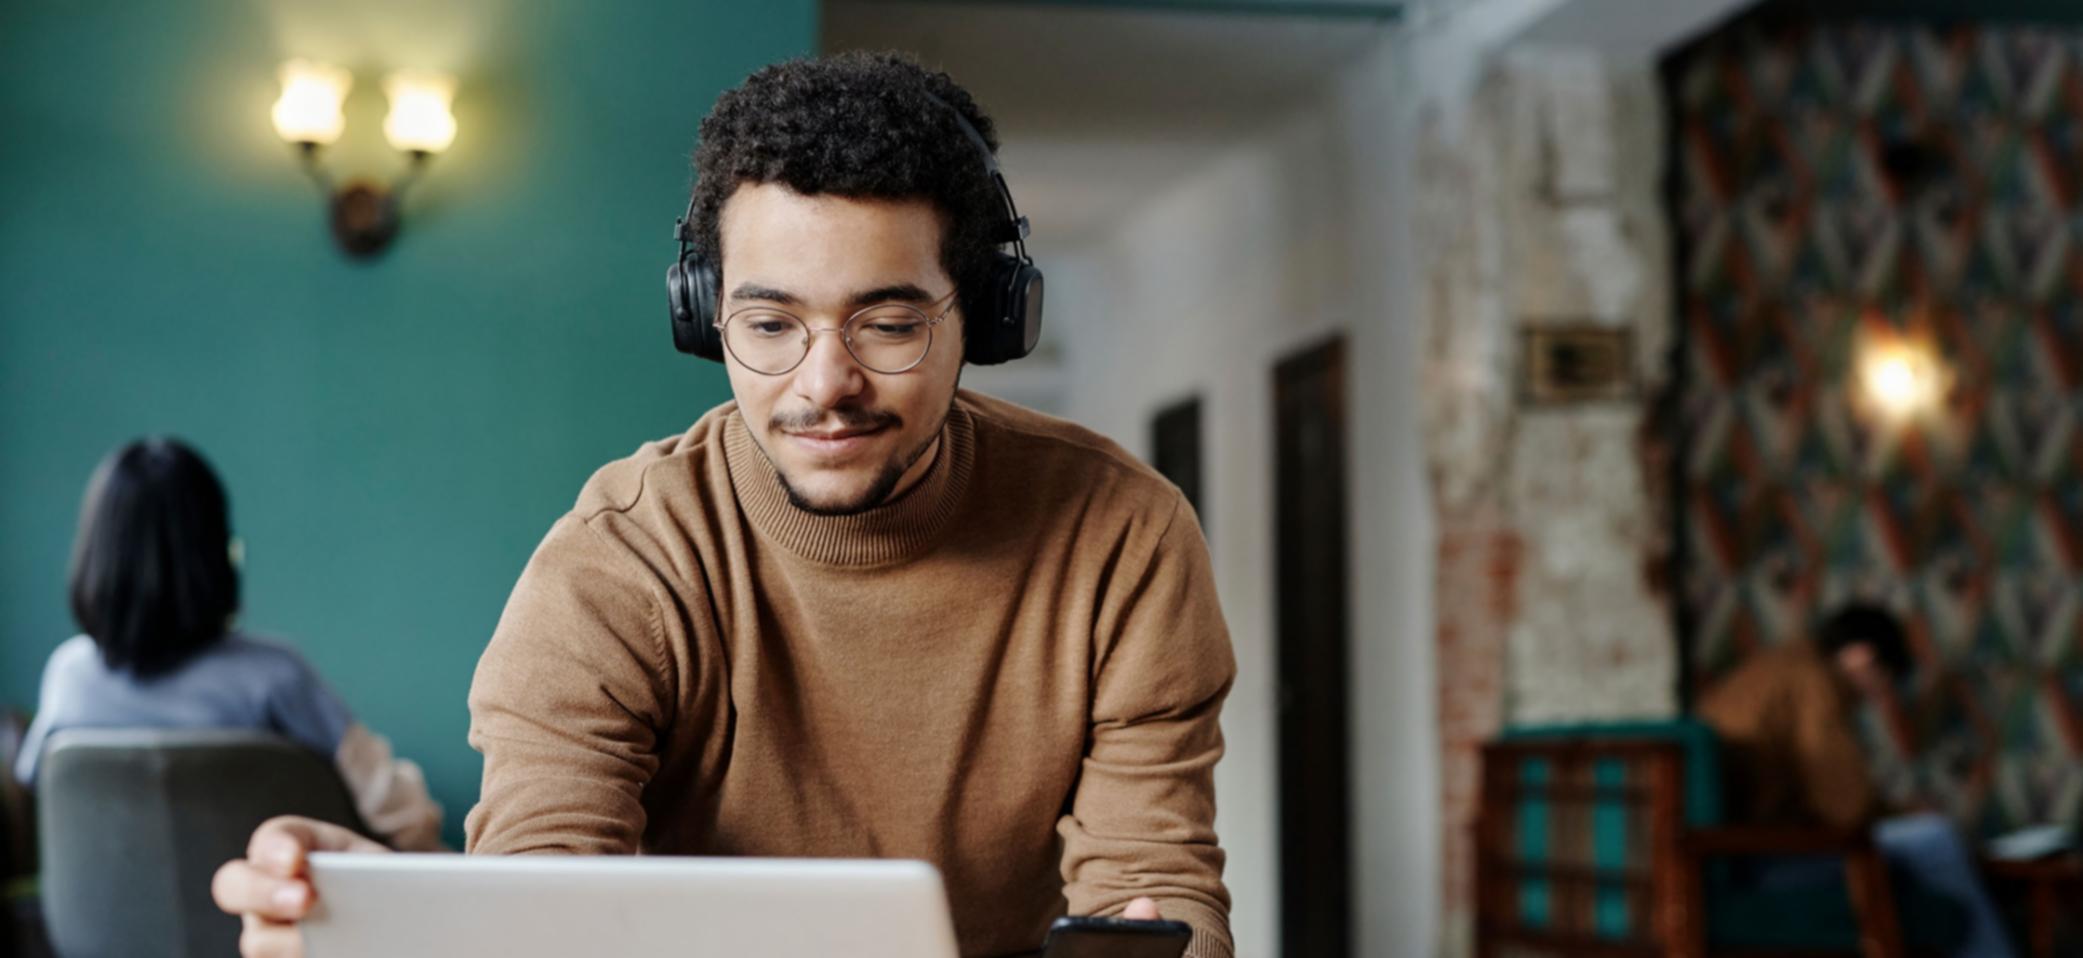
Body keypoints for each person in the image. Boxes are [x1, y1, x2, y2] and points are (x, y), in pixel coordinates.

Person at [211, 52, 1236, 958]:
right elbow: (542, 882)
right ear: (705, 319)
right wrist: (402, 923)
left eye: (888, 324)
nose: (824, 384)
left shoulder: (1122, 533)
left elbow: (1153, 882)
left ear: (986, 316)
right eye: (770, 324)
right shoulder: (621, 558)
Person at [13, 438, 444, 852]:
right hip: (263, 899)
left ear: (95, 554)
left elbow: (33, 784)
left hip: (101, 907)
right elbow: (394, 807)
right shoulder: (276, 678)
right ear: (216, 551)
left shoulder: (68, 676)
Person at [1699, 602, 2012, 958]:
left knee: (1921, 854)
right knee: (1935, 835)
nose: (1868, 700)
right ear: (1863, 657)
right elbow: (1846, 807)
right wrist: (1904, 814)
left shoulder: (1771, 668)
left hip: (1729, 856)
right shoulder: (1812, 680)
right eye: (1877, 685)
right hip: (1764, 859)